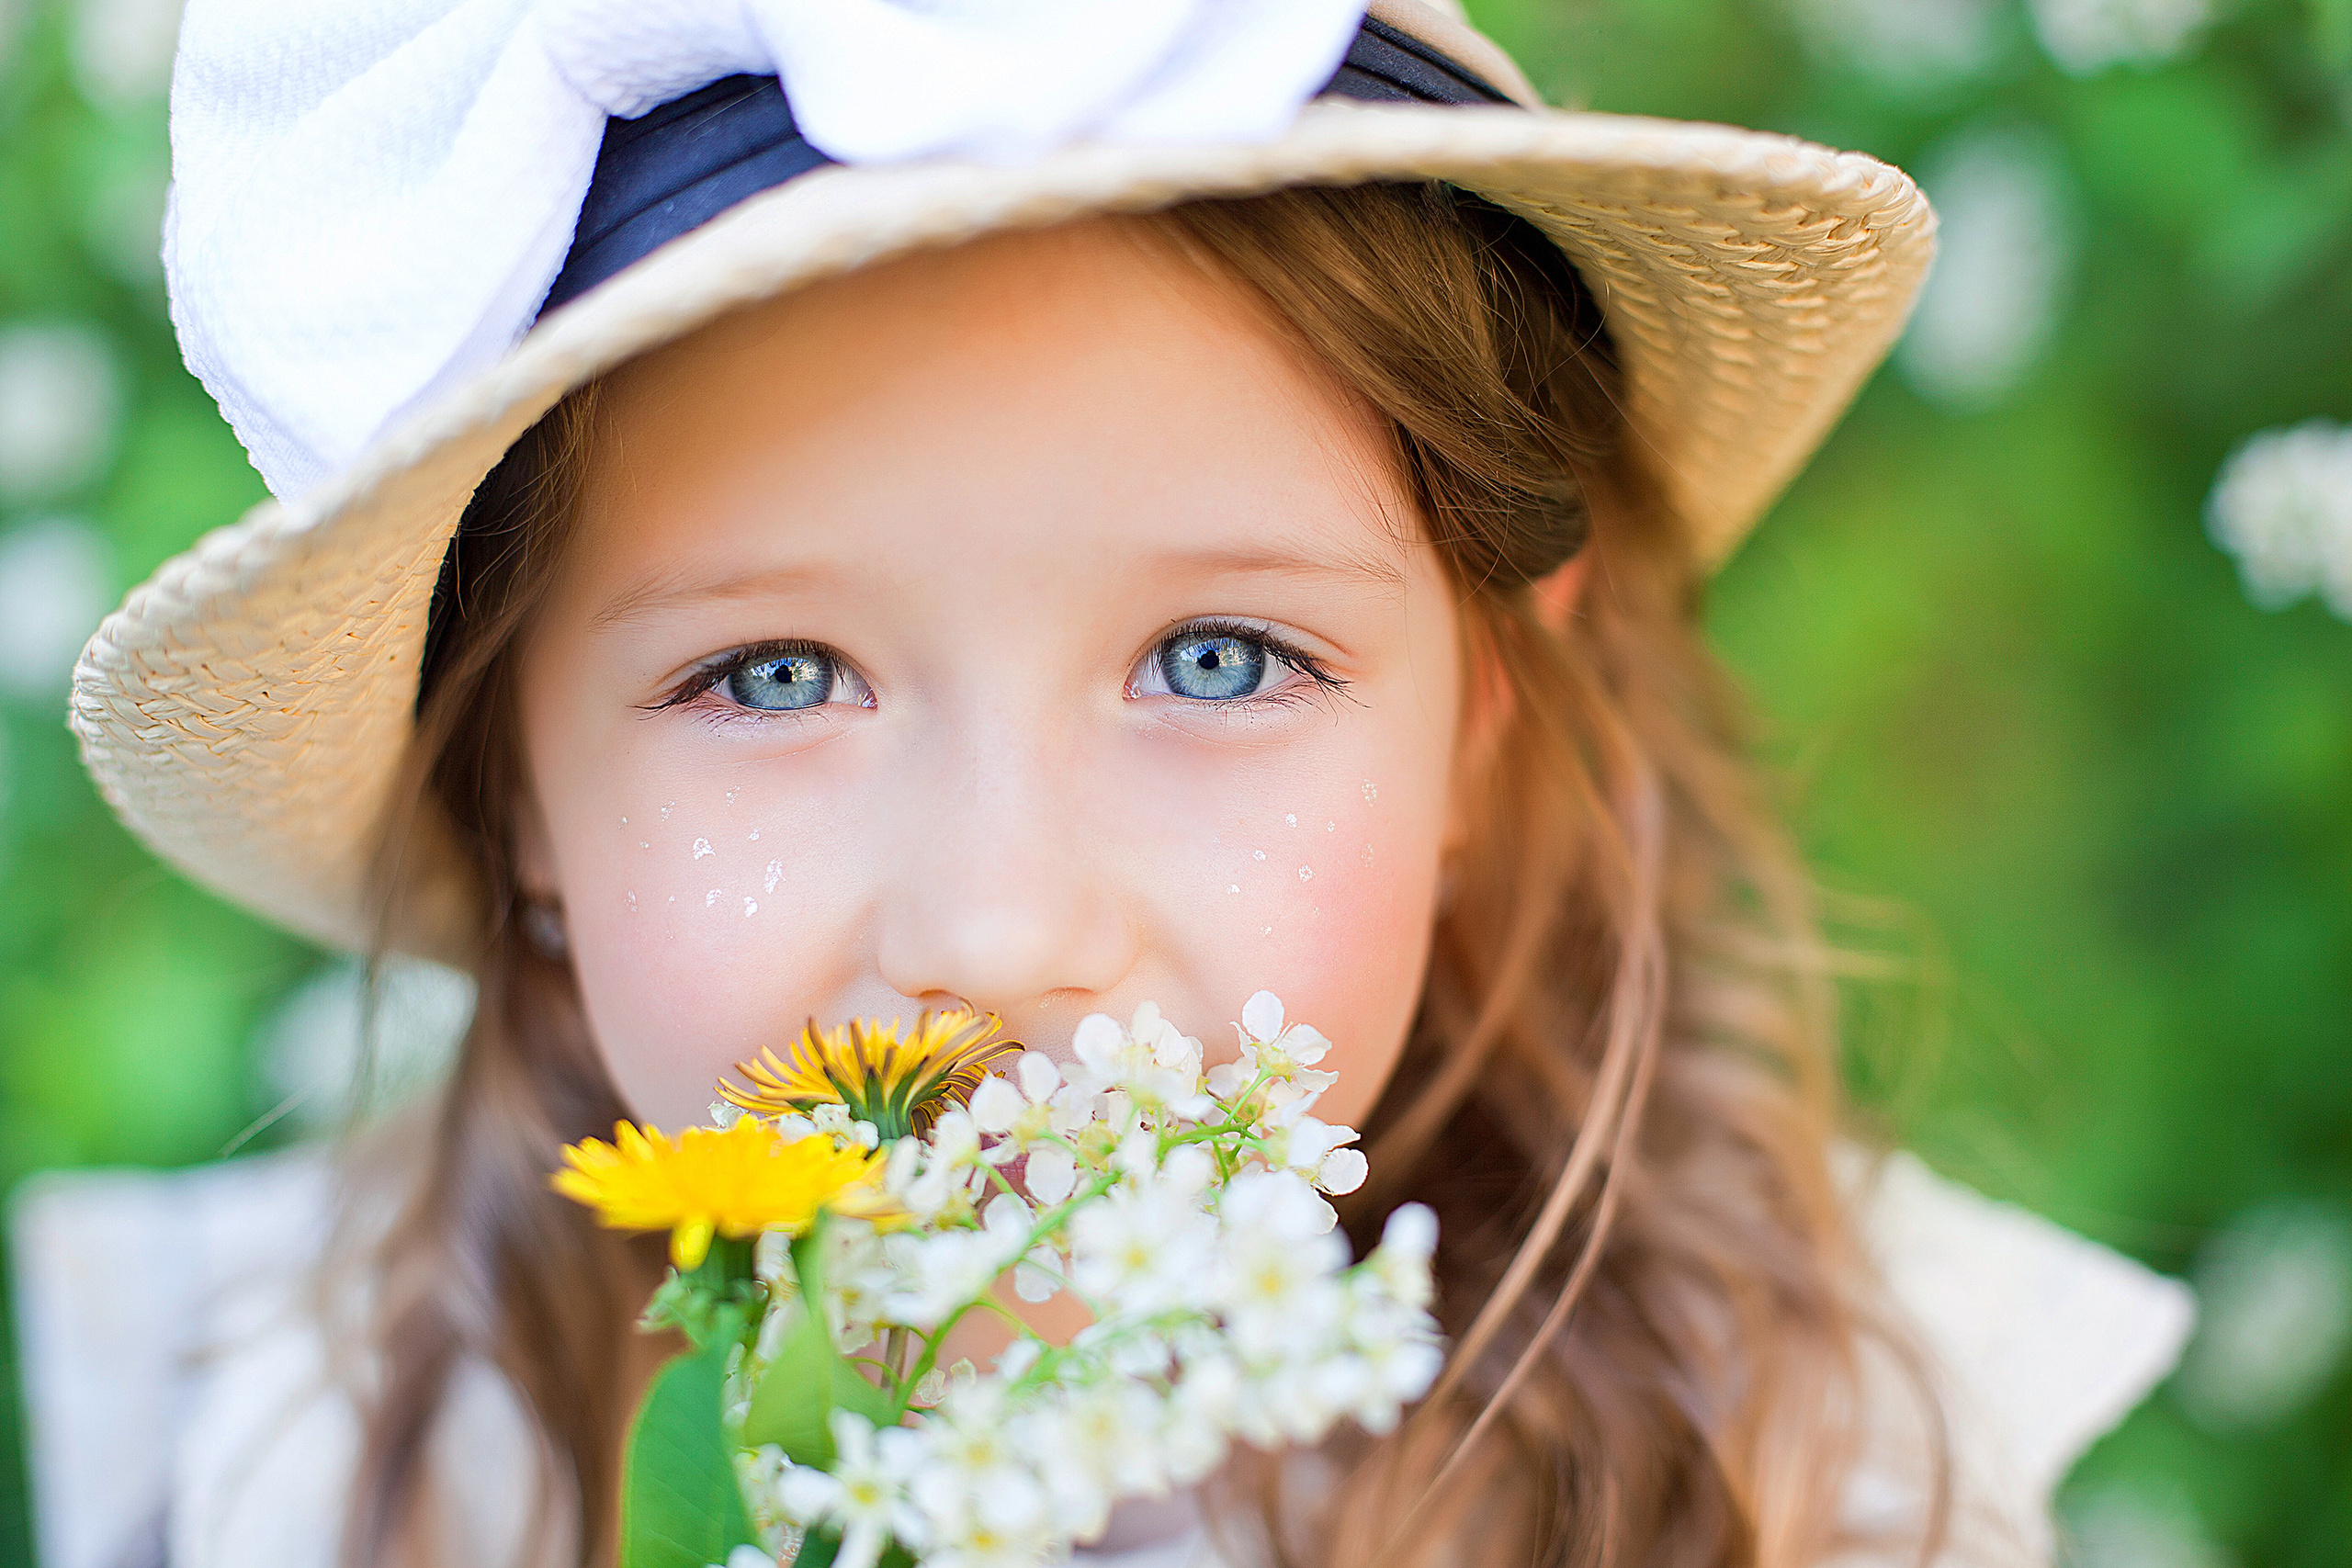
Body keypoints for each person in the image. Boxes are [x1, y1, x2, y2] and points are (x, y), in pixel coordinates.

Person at [25, 3, 2189, 1566]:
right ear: (507, 796)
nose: (994, 925)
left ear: (1478, 720)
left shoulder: (1795, 1471)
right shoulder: (338, 1478)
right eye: (773, 673)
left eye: (1218, 657)